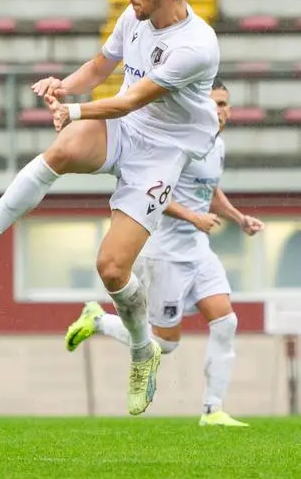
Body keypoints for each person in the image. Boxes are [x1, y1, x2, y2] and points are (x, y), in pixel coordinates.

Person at [0, 0, 221, 416]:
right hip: (127, 130)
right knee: (62, 149)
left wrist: (73, 109)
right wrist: (63, 85)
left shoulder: (196, 45)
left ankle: (141, 350)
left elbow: (130, 100)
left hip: (162, 152)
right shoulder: (134, 17)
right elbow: (99, 69)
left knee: (112, 269)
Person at [64, 78, 264, 426]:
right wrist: (192, 217)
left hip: (198, 250)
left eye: (225, 104)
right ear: (200, 106)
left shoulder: (216, 146)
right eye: (215, 103)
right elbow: (151, 191)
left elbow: (210, 190)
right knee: (165, 344)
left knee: (226, 321)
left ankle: (212, 410)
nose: (221, 111)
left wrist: (238, 217)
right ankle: (97, 320)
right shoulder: (178, 143)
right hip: (165, 252)